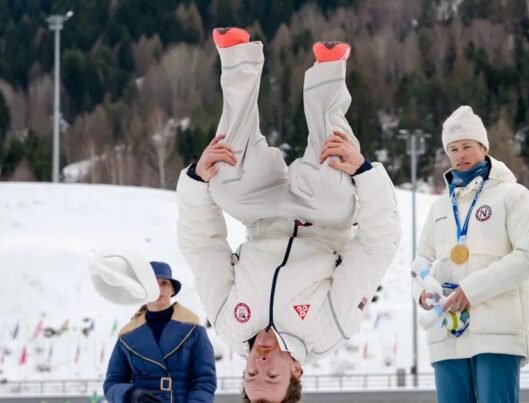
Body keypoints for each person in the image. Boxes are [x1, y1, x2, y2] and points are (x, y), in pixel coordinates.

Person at [176, 28, 400, 402]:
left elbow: (202, 247)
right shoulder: (328, 329)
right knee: (334, 174)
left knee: (225, 178)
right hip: (324, 218)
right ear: (296, 371)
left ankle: (238, 59)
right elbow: (378, 246)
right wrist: (364, 173)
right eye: (271, 374)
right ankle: (329, 73)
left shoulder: (230, 324)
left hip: (263, 217)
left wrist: (197, 180)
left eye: (251, 373)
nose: (260, 361)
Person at [411, 105, 529, 403]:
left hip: (497, 333)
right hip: (447, 334)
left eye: (467, 146)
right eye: (453, 148)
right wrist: (421, 292)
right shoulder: (439, 208)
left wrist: (472, 290)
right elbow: (421, 264)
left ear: (484, 147)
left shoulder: (513, 196)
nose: (460, 154)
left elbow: (528, 256)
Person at [103, 261, 216, 403]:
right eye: (153, 283)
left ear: (172, 289)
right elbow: (111, 384)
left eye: (164, 283)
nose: (159, 289)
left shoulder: (194, 331)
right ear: (144, 289)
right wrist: (131, 394)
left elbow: (205, 381)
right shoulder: (127, 336)